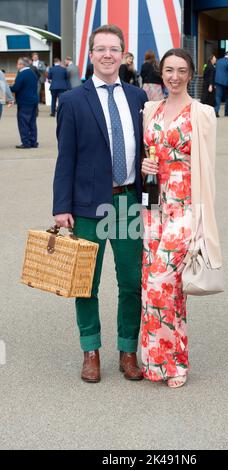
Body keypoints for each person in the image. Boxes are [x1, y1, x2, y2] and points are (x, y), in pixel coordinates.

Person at [52, 24, 148, 383]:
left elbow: (146, 153)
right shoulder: (74, 101)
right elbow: (66, 159)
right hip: (87, 207)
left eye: (114, 49)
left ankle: (128, 351)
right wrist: (61, 207)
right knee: (84, 283)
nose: (108, 55)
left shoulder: (139, 98)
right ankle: (90, 351)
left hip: (127, 205)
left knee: (132, 282)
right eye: (100, 49)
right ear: (90, 55)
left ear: (124, 56)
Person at [141, 48, 222, 388]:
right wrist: (143, 167)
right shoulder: (150, 109)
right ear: (161, 73)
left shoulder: (201, 113)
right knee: (155, 288)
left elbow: (208, 169)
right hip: (151, 208)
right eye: (168, 70)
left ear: (191, 74)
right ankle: (157, 363)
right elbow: (145, 154)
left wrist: (203, 221)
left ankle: (174, 363)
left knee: (164, 282)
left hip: (186, 206)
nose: (174, 76)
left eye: (181, 70)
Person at [10, 57, 39, 149]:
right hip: (33, 101)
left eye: (18, 64)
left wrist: (8, 88)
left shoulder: (22, 74)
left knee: (23, 123)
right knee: (32, 122)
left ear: (22, 65)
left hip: (25, 102)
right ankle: (33, 141)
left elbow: (15, 88)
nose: (16, 65)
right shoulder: (32, 73)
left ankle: (26, 142)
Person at [214, 50, 228, 117]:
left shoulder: (218, 61)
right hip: (226, 83)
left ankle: (216, 111)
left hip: (218, 81)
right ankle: (226, 112)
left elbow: (215, 71)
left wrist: (215, 82)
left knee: (218, 97)